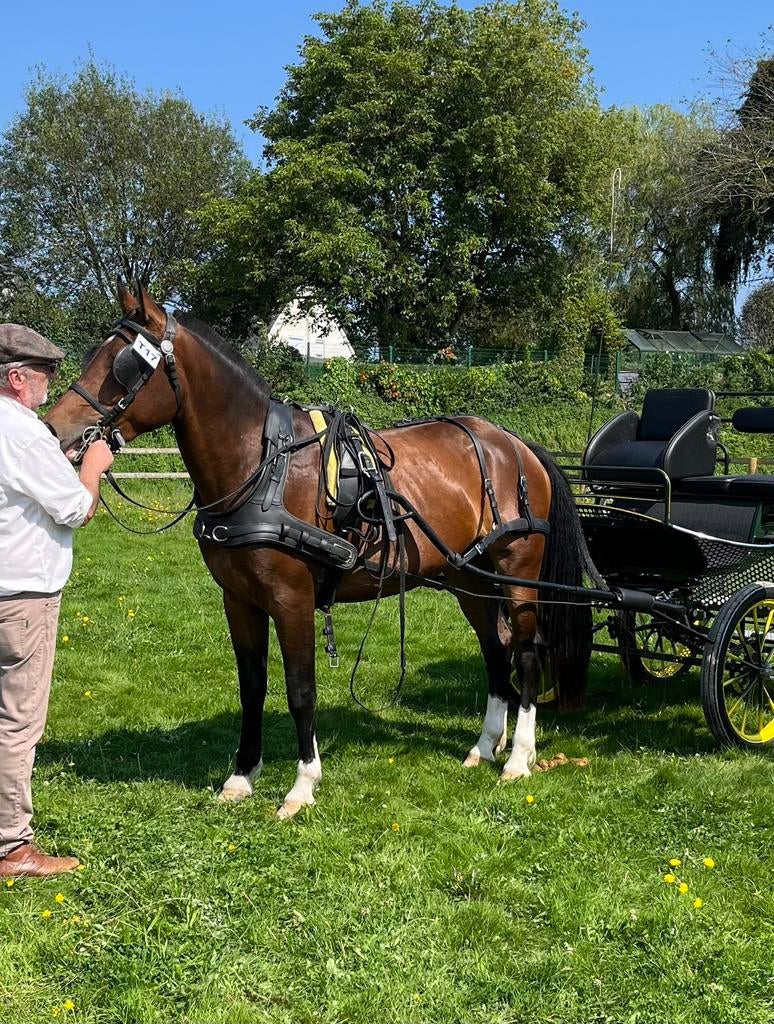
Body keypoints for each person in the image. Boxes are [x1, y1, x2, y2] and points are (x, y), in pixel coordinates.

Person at [0, 324, 114, 879]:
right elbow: (75, 509)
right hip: (22, 597)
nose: (52, 382)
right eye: (45, 372)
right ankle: (12, 847)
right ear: (17, 378)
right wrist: (93, 467)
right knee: (18, 722)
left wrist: (61, 462)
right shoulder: (22, 431)